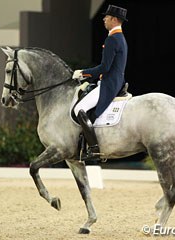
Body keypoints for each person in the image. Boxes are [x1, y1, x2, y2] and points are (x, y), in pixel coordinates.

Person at [72, 5, 128, 158]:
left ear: (114, 19)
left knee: (79, 109)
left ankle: (94, 148)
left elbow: (104, 67)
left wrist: (83, 73)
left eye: (107, 17)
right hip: (116, 81)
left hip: (110, 84)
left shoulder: (112, 39)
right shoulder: (120, 38)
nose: (104, 19)